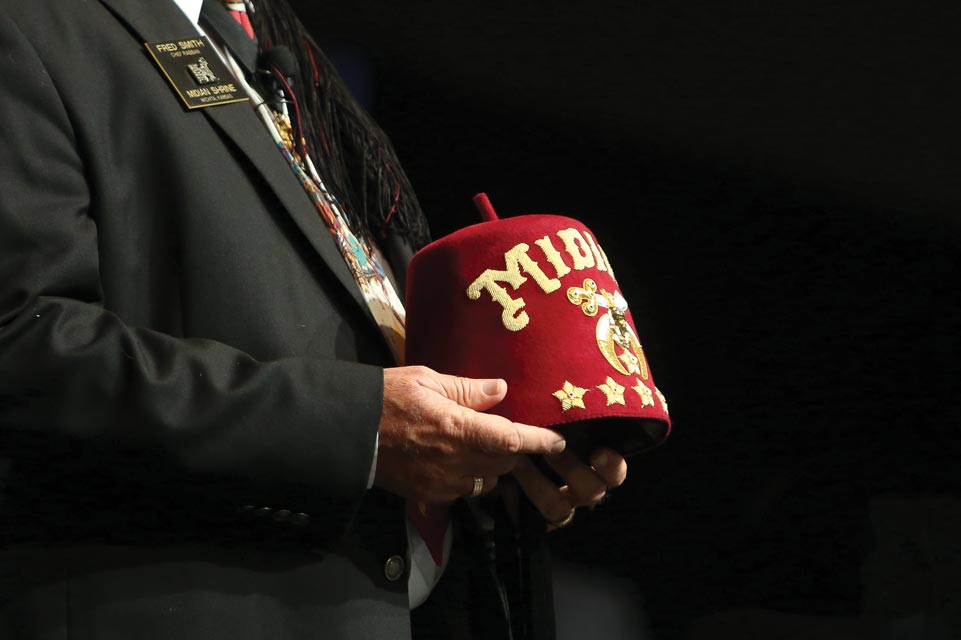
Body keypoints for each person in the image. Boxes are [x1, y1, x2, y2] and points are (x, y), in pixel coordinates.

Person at [0, 0, 628, 638]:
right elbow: (18, 340)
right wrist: (356, 430)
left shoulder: (271, 46)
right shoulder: (35, 21)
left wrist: (493, 452)